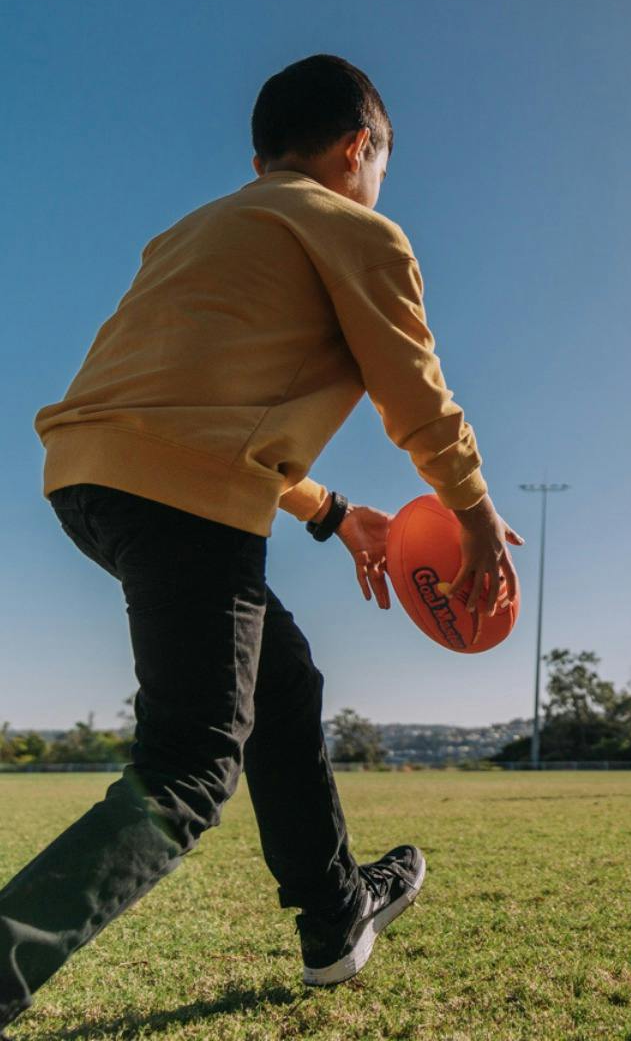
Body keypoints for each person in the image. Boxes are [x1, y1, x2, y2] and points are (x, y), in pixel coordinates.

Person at [0, 54, 522, 1032]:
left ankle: (334, 916)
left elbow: (194, 417)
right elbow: (415, 392)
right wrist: (477, 516)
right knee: (190, 767)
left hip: (87, 482)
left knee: (282, 684)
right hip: (178, 502)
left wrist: (335, 513)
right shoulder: (357, 230)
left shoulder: (197, 231)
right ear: (358, 148)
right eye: (381, 167)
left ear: (258, 161)